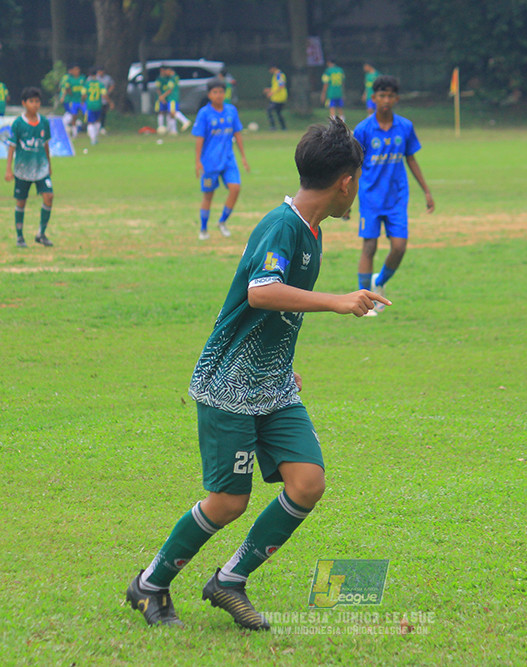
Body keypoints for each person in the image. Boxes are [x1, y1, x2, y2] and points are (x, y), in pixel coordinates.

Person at [124, 117, 387, 631]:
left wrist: (284, 364)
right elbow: (261, 292)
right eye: (358, 178)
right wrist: (337, 301)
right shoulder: (282, 226)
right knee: (227, 503)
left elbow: (274, 313)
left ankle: (229, 580)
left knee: (308, 483)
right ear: (346, 182)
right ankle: (149, 584)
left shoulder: (308, 231)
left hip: (272, 385)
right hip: (229, 386)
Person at [353, 75, 435, 316]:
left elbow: (411, 158)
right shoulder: (363, 129)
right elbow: (353, 164)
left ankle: (380, 281)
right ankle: (364, 301)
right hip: (370, 198)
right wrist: (346, 196)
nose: (386, 100)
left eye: (390, 96)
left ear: (396, 99)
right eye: (381, 95)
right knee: (369, 247)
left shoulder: (405, 127)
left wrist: (427, 191)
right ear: (373, 98)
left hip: (397, 199)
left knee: (399, 247)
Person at [192, 79, 250, 240]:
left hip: (228, 160)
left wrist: (243, 157)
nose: (218, 95)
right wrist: (197, 161)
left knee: (235, 188)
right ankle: (203, 229)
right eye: (215, 92)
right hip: (210, 161)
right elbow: (199, 139)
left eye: (221, 92)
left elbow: (237, 134)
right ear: (209, 95)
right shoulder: (204, 113)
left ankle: (222, 222)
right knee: (208, 196)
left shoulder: (231, 111)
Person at [4, 87, 54, 248]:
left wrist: (49, 164)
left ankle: (41, 233)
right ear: (24, 103)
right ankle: (19, 237)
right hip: (22, 170)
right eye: (31, 101)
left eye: (37, 101)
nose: (35, 104)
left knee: (49, 196)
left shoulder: (44, 122)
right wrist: (8, 169)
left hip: (41, 168)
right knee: (21, 202)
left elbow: (45, 144)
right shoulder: (18, 124)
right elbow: (12, 147)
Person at [59, 64, 86, 138]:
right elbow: (65, 88)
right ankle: (70, 129)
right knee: (72, 115)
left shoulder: (82, 78)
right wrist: (63, 97)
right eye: (75, 69)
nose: (77, 71)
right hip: (71, 100)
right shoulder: (68, 78)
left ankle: (78, 127)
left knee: (86, 114)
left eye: (78, 69)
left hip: (81, 101)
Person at [84, 67, 108, 145]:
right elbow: (104, 95)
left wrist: (82, 101)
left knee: (90, 122)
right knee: (97, 121)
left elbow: (83, 94)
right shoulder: (100, 84)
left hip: (90, 105)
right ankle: (95, 137)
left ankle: (93, 138)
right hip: (98, 105)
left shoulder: (87, 84)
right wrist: (110, 102)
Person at [263, 65, 287, 131]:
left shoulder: (279, 75)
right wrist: (269, 90)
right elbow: (276, 86)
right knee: (278, 112)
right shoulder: (276, 75)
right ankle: (283, 127)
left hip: (279, 97)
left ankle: (273, 127)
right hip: (277, 97)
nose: (270, 71)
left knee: (269, 110)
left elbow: (281, 85)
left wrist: (271, 93)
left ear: (273, 68)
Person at [95, 65, 114, 133]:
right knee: (96, 112)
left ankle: (102, 127)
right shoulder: (95, 78)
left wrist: (108, 92)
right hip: (96, 98)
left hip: (104, 97)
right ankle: (96, 127)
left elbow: (112, 85)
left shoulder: (107, 78)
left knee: (103, 113)